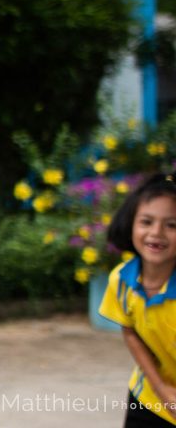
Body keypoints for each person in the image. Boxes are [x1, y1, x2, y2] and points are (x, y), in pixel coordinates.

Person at [99, 173, 176, 427]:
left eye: (172, 225)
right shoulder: (121, 281)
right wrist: (162, 389)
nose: (157, 233)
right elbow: (130, 331)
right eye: (146, 221)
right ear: (130, 224)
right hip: (149, 398)